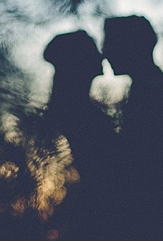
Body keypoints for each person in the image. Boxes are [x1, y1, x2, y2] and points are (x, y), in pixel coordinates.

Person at [102, 16, 163, 240]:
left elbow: (141, 169)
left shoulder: (153, 95)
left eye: (110, 43)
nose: (105, 53)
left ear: (131, 46)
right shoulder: (151, 89)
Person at [43, 30, 119, 239]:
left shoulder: (74, 111)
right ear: (78, 62)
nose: (101, 56)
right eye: (93, 51)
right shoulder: (81, 115)